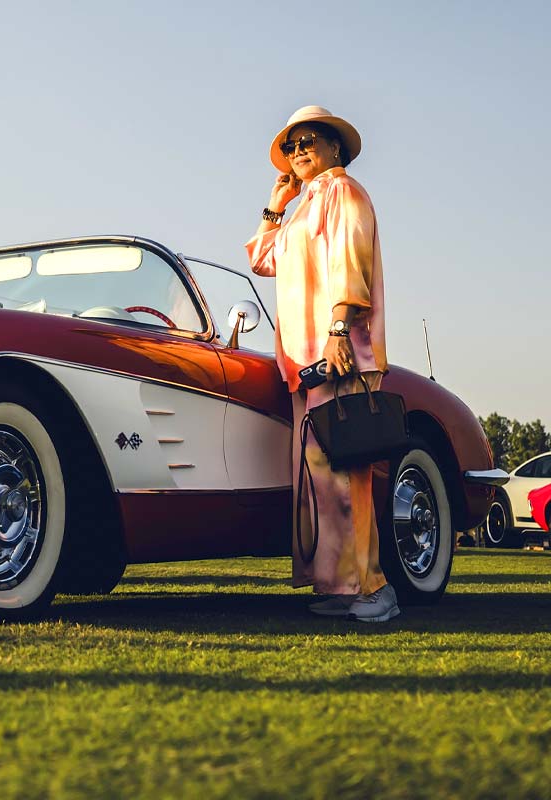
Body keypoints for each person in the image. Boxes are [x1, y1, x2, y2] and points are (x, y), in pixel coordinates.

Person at [245, 105, 397, 622]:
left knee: (347, 475)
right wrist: (275, 202)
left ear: (335, 147)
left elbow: (351, 264)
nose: (298, 150)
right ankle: (338, 586)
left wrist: (339, 332)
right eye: (291, 145)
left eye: (309, 140)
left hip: (336, 353)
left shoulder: (342, 191)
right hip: (305, 362)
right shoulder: (302, 208)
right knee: (320, 479)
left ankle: (374, 588)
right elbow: (263, 261)